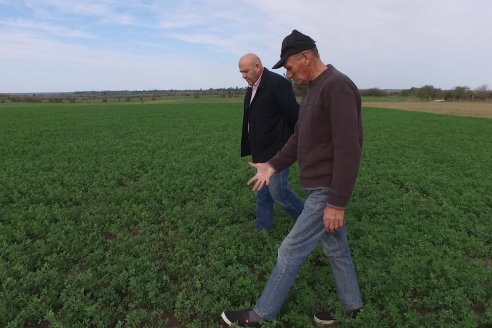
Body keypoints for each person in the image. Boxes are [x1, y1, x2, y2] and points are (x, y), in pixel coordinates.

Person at [222, 30, 364, 326]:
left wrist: (337, 202)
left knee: (290, 249)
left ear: (306, 56)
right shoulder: (314, 89)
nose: (287, 74)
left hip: (327, 189)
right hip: (317, 188)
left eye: (288, 67)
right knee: (336, 248)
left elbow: (350, 150)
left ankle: (260, 314)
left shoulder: (337, 88)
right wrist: (272, 165)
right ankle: (353, 308)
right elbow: (299, 138)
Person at [238, 53, 304, 232]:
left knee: (280, 194)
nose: (243, 75)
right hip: (260, 151)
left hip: (277, 151)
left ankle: (311, 223)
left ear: (258, 67)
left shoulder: (277, 83)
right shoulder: (251, 87)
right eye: (240, 72)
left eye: (245, 71)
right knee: (263, 194)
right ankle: (263, 232)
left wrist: (290, 146)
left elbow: (294, 116)